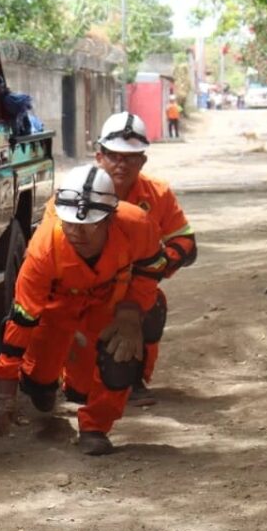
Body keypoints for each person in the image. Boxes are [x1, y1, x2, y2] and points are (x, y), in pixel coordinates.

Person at [0, 163, 166, 455]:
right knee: (39, 383)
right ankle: (39, 384)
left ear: (110, 218)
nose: (78, 232)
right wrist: (2, 384)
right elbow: (23, 316)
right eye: (70, 224)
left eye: (89, 224)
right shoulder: (44, 250)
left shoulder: (136, 225)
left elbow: (153, 265)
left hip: (110, 303)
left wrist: (132, 310)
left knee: (118, 359)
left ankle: (95, 427)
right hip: (56, 307)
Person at [87, 112, 197, 406]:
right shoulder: (78, 191)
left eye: (130, 157)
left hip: (137, 285)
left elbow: (186, 241)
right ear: (100, 156)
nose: (121, 164)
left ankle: (135, 378)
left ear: (143, 161)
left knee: (153, 306)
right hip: (86, 286)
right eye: (114, 156)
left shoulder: (158, 194)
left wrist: (158, 265)